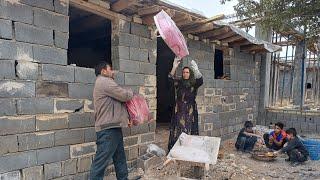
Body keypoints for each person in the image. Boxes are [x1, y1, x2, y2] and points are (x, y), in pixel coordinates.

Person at [90, 62, 135, 180]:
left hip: (113, 128)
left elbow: (116, 104)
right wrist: (131, 92)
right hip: (108, 129)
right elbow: (124, 95)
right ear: (103, 71)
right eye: (110, 69)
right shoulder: (104, 81)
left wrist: (126, 118)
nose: (113, 71)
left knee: (120, 158)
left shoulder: (104, 82)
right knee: (100, 163)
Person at [167, 58, 203, 151]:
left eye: (187, 72)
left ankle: (188, 149)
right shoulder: (179, 82)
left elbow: (200, 81)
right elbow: (170, 80)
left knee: (189, 127)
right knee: (178, 128)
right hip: (179, 109)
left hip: (190, 109)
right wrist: (174, 67)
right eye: (184, 72)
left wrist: (196, 69)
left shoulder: (194, 83)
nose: (185, 74)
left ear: (190, 73)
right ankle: (177, 148)